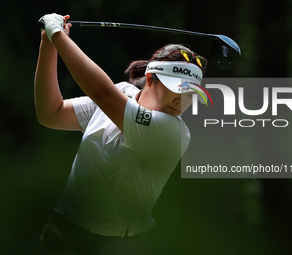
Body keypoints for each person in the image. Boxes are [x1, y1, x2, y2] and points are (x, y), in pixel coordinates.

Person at [35, 13, 208, 255]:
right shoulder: (121, 93)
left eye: (190, 94)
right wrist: (48, 43)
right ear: (150, 78)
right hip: (64, 234)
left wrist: (58, 36)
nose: (181, 102)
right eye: (175, 90)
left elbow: (101, 92)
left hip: (120, 246)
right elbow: (50, 113)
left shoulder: (173, 132)